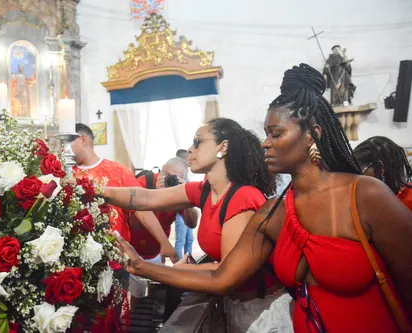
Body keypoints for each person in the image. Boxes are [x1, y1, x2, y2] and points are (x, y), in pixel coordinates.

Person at [105, 64, 412, 333]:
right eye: (266, 133)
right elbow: (221, 278)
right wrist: (141, 266)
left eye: (276, 134)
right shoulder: (273, 212)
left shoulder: (365, 196)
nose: (265, 144)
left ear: (312, 134)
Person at [103, 118, 294, 332]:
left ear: (223, 147)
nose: (190, 149)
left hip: (258, 312)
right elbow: (146, 199)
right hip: (233, 305)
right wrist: (100, 191)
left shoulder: (243, 197)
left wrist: (147, 267)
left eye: (198, 142)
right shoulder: (204, 190)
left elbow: (225, 274)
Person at [71, 123, 178, 265]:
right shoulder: (67, 175)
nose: (62, 149)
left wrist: (164, 242)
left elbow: (141, 207)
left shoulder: (117, 171)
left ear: (83, 140)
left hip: (117, 256)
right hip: (78, 257)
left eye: (67, 142)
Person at [129, 157, 198, 301]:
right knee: (136, 295)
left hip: (156, 251)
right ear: (160, 171)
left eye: (174, 178)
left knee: (156, 296)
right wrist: (155, 194)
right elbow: (132, 216)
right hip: (133, 248)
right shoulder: (144, 183)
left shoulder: (178, 193)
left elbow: (192, 223)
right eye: (166, 175)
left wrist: (185, 197)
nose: (168, 180)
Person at [354, 136, 412, 210]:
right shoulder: (386, 199)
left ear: (381, 169)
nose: (356, 180)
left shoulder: (406, 203)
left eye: (360, 173)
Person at [174, 149, 195, 258]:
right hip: (180, 213)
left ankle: (189, 263)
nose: (190, 160)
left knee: (189, 239)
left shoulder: (186, 174)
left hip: (188, 211)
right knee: (181, 240)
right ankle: (178, 264)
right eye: (188, 158)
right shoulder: (177, 174)